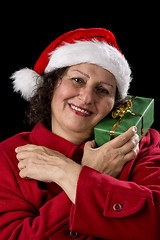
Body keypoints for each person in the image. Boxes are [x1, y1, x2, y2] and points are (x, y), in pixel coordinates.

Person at [0, 28, 159, 240]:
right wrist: (94, 173)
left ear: (115, 105)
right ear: (51, 85)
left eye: (102, 90)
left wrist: (68, 173)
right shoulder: (7, 157)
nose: (86, 98)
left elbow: (155, 224)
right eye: (77, 80)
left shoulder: (139, 143)